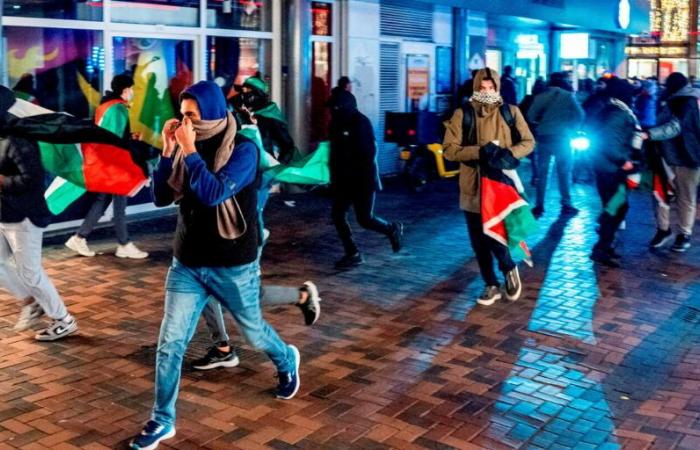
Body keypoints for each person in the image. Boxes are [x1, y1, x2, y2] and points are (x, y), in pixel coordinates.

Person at [129, 81, 300, 450]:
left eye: (192, 115)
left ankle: (286, 359)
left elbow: (212, 193)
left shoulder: (244, 150)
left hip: (231, 262)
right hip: (187, 262)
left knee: (253, 333)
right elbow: (161, 196)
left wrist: (189, 151)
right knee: (170, 343)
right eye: (182, 114)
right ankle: (162, 420)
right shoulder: (184, 146)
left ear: (211, 112)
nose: (184, 121)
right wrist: (168, 151)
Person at [442, 68, 534, 305]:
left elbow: (528, 142)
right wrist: (479, 152)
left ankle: (508, 268)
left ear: (497, 87)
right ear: (475, 88)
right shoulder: (463, 115)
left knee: (497, 234)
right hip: (473, 186)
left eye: (490, 87)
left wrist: (507, 153)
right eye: (482, 88)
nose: (486, 92)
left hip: (501, 185)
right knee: (478, 240)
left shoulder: (510, 112)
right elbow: (450, 150)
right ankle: (490, 283)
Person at [0, 85, 79, 340]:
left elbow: (32, 179)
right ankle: (30, 302)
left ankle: (63, 319)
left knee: (31, 273)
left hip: (25, 218)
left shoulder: (17, 138)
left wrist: (2, 182)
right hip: (6, 214)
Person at [64, 74, 148, 259]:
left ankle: (79, 237)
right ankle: (124, 244)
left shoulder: (105, 106)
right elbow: (115, 141)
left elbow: (109, 134)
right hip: (115, 164)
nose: (133, 92)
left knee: (103, 201)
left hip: (104, 162)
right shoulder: (118, 109)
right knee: (119, 204)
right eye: (131, 89)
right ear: (125, 90)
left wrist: (130, 136)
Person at [327, 89, 403, 269]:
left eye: (335, 108)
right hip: (342, 181)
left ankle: (391, 228)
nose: (332, 111)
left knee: (365, 219)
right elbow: (333, 153)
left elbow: (367, 154)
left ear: (344, 107)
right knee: (338, 216)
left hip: (362, 180)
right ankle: (352, 253)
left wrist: (346, 167)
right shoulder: (335, 124)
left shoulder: (361, 123)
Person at [643, 72, 700, 252]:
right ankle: (664, 230)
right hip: (667, 155)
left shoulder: (687, 102)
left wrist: (650, 134)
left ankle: (683, 234)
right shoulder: (673, 100)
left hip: (687, 156)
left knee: (685, 197)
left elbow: (675, 127)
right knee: (661, 194)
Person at [588, 77, 642, 267]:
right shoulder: (617, 113)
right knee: (615, 208)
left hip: (608, 167)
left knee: (615, 207)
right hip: (611, 168)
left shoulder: (615, 110)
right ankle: (601, 249)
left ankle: (605, 244)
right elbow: (608, 141)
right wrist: (623, 160)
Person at [527, 72, 584, 218]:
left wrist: (541, 123)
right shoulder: (568, 96)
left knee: (542, 173)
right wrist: (572, 129)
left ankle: (539, 205)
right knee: (564, 172)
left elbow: (530, 116)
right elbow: (580, 115)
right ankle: (566, 204)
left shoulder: (540, 96)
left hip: (544, 138)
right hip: (562, 139)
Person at [239, 76, 296, 164]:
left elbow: (288, 146)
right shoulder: (244, 113)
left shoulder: (270, 117)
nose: (243, 93)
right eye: (243, 90)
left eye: (247, 90)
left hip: (265, 170)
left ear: (258, 93)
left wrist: (277, 167)